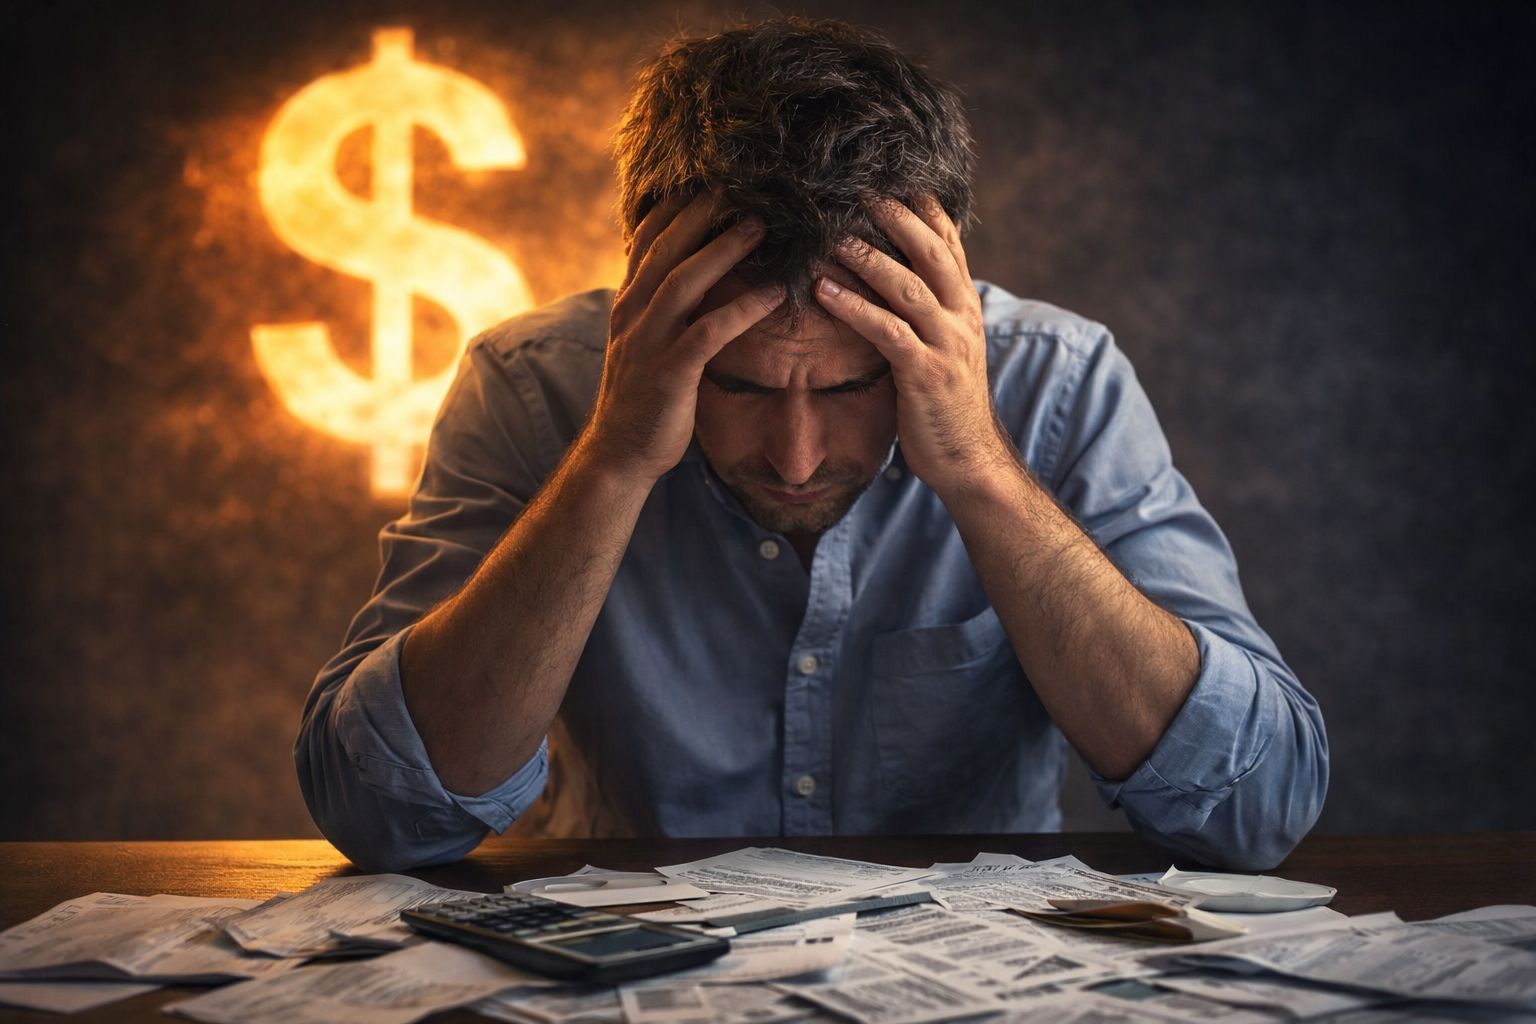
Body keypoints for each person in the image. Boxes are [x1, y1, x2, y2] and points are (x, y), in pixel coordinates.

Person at [296, 18, 1327, 874]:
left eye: (849, 386)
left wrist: (979, 470)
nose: (794, 458)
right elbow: (386, 815)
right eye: (735, 384)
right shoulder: (530, 390)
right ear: (650, 279)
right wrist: (612, 460)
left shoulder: (1061, 381)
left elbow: (1258, 808)